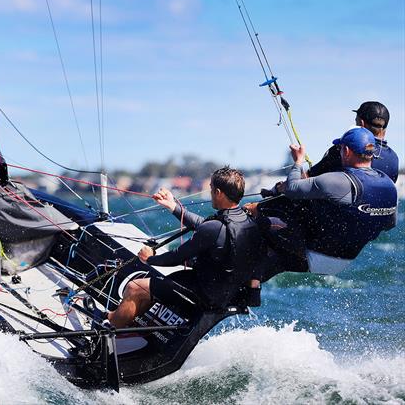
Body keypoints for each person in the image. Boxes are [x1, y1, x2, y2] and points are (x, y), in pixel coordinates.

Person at [106, 167, 264, 329]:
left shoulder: (215, 227)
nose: (210, 192)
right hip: (227, 293)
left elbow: (176, 257)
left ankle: (109, 328)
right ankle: (130, 321)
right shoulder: (250, 224)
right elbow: (205, 226)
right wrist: (173, 206)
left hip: (204, 293)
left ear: (218, 192)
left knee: (135, 287)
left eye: (210, 188)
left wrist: (150, 258)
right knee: (155, 285)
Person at [248, 127, 398, 280]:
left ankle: (240, 294)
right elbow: (389, 224)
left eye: (340, 149)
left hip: (313, 257)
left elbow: (293, 188)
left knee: (253, 214)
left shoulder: (338, 181)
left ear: (346, 151)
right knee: (269, 261)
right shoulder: (390, 186)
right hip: (343, 262)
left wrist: (298, 161)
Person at [308, 101, 398, 182]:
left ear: (361, 124)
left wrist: (298, 162)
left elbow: (308, 177)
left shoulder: (344, 149)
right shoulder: (394, 158)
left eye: (356, 121)